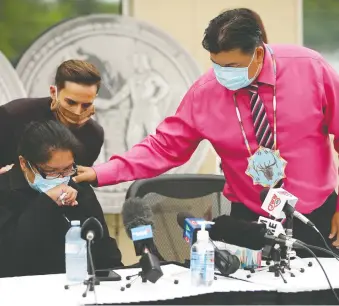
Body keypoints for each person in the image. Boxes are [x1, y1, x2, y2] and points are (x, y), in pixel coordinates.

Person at [73, 8, 339, 256]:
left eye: (232, 67)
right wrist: (101, 172)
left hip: (319, 215)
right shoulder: (205, 93)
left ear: (258, 53)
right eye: (216, 65)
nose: (223, 75)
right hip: (249, 220)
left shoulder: (310, 68)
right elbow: (163, 147)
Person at [0, 120, 122, 278]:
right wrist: (46, 202)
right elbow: (11, 257)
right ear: (24, 163)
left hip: (77, 286)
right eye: (51, 171)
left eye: (67, 169)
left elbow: (102, 244)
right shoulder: (4, 191)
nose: (61, 178)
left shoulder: (77, 185)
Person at [0, 59, 104, 173]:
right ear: (53, 92)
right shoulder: (13, 115)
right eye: (71, 102)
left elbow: (75, 182)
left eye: (86, 105)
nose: (77, 112)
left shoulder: (94, 135)